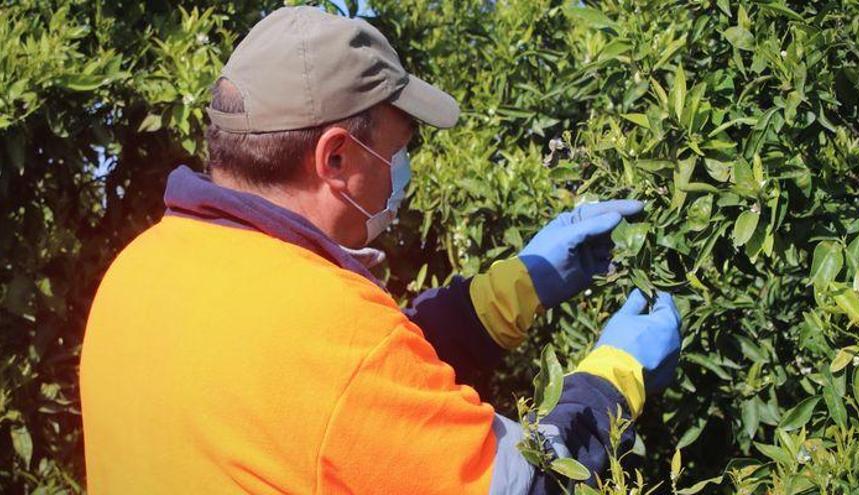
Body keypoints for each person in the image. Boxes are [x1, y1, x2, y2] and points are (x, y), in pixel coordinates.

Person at [79, 6, 681, 494]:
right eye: (399, 148)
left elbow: (336, 409)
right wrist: (613, 381)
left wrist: (518, 286)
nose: (403, 169)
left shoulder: (141, 268)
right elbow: (524, 485)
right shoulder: (329, 334)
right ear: (335, 158)